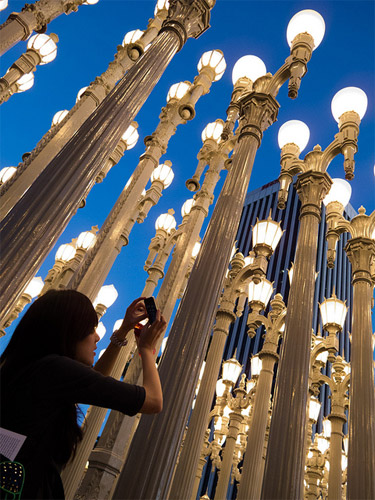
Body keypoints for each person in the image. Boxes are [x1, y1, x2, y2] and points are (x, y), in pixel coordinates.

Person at [0, 289, 166, 499]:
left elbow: (90, 382)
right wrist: (147, 349)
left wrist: (123, 330)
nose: (97, 336)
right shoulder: (54, 369)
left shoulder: (32, 369)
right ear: (69, 331)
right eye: (90, 329)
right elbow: (153, 401)